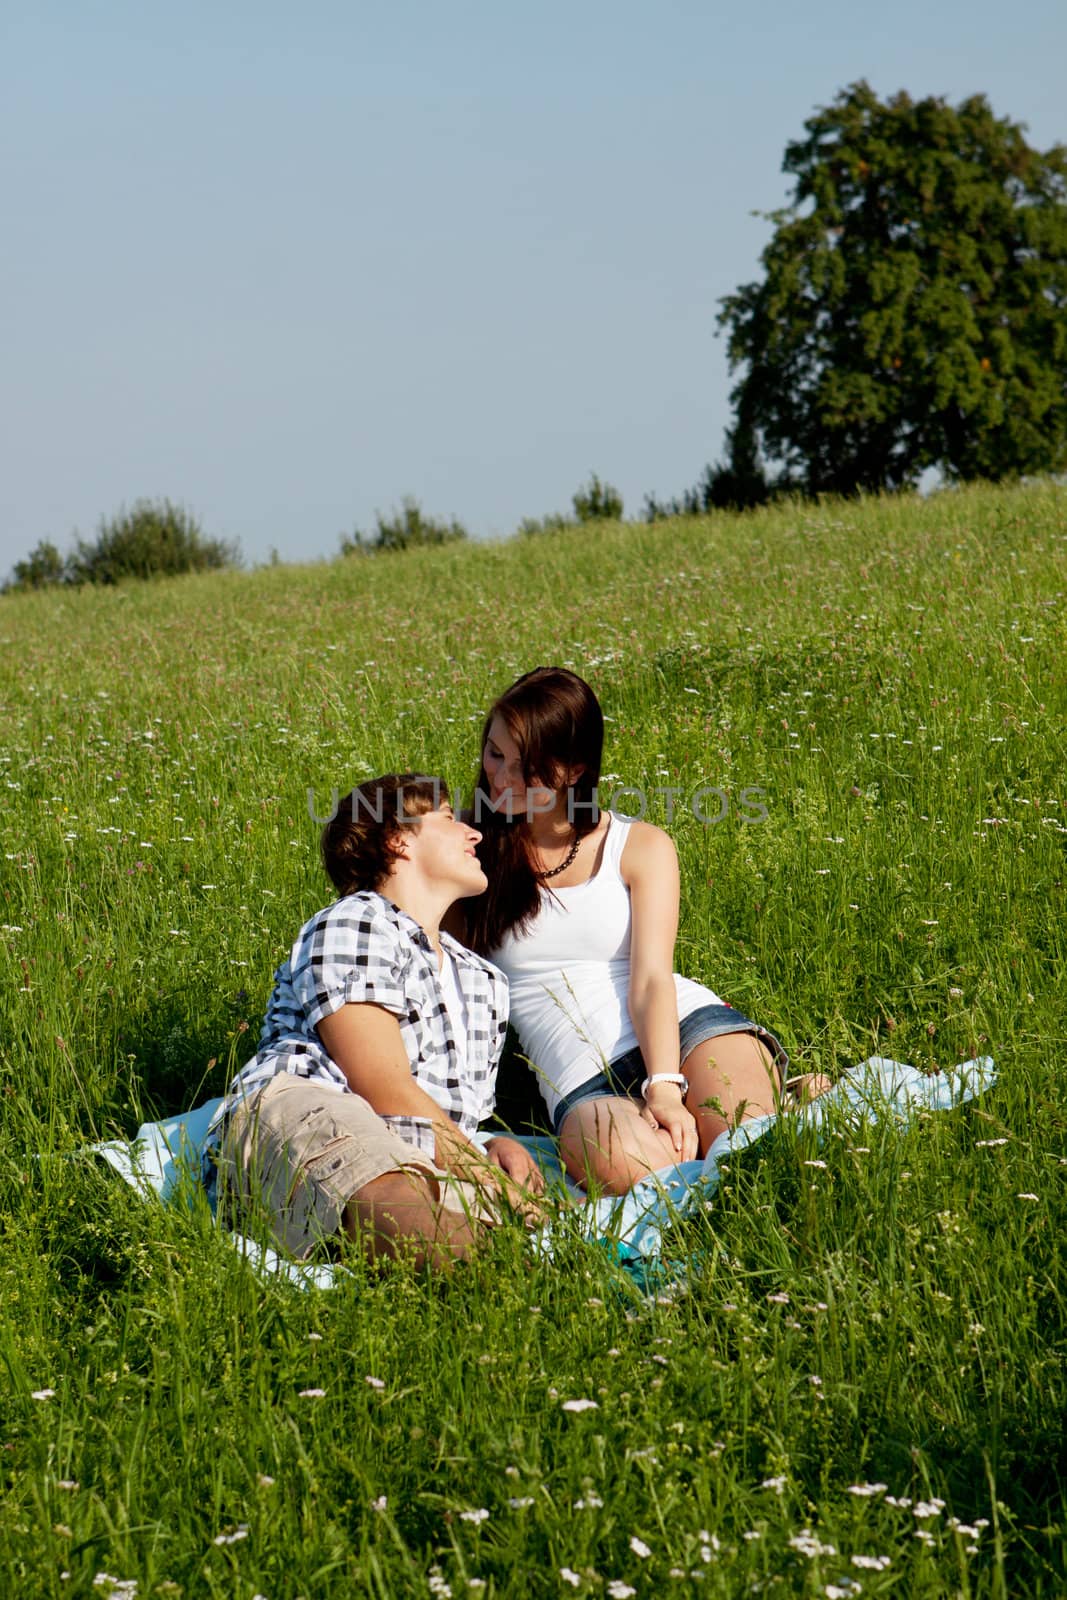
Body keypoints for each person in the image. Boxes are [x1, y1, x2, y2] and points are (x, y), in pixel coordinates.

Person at [465, 668, 825, 1195]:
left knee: (748, 1146)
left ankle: (737, 1109)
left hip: (682, 1029)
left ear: (575, 771)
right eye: (495, 754)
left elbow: (653, 978)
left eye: (528, 769)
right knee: (645, 1177)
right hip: (579, 1076)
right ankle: (785, 1102)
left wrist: (662, 1088)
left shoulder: (640, 845)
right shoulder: (470, 854)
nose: (501, 779)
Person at [208, 773, 543, 1269]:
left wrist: (492, 1144)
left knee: (532, 1224)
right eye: (450, 819)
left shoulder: (483, 980)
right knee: (431, 1222)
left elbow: (449, 1118)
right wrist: (480, 1172)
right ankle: (503, 1270)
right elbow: (380, 1085)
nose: (474, 833)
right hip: (311, 1108)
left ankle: (517, 1267)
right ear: (398, 838)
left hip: (416, 1151)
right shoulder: (355, 921)